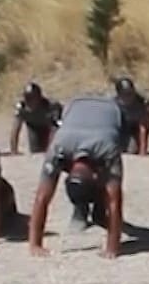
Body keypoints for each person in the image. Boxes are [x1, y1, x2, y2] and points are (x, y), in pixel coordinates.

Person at [28, 94, 126, 259]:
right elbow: (41, 199)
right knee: (110, 188)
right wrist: (35, 245)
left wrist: (112, 247)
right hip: (75, 106)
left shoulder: (108, 149)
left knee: (110, 186)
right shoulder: (58, 149)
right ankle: (91, 213)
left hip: (111, 110)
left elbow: (114, 201)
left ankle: (98, 213)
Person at [10, 82, 62, 154]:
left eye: (32, 99)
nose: (30, 102)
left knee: (51, 150)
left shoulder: (51, 106)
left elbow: (56, 128)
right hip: (33, 128)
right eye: (27, 99)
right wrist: (14, 150)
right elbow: (15, 129)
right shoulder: (21, 107)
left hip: (49, 127)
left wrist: (51, 146)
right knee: (36, 152)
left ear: (39, 98)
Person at [112, 76, 149, 156]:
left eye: (130, 94)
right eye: (125, 94)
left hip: (135, 127)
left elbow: (143, 128)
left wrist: (143, 151)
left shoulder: (142, 103)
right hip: (120, 126)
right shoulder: (112, 103)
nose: (128, 97)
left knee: (132, 150)